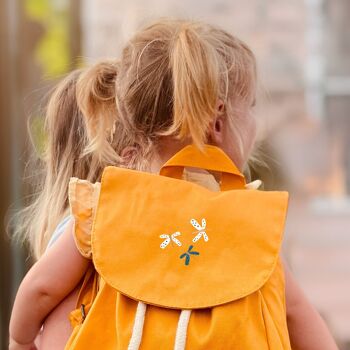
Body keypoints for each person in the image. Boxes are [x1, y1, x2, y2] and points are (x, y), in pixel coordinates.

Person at [9, 19, 338, 350]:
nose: (256, 121)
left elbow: (42, 289)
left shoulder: (104, 205)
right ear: (218, 122)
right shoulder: (249, 221)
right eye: (251, 107)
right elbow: (298, 316)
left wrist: (19, 339)